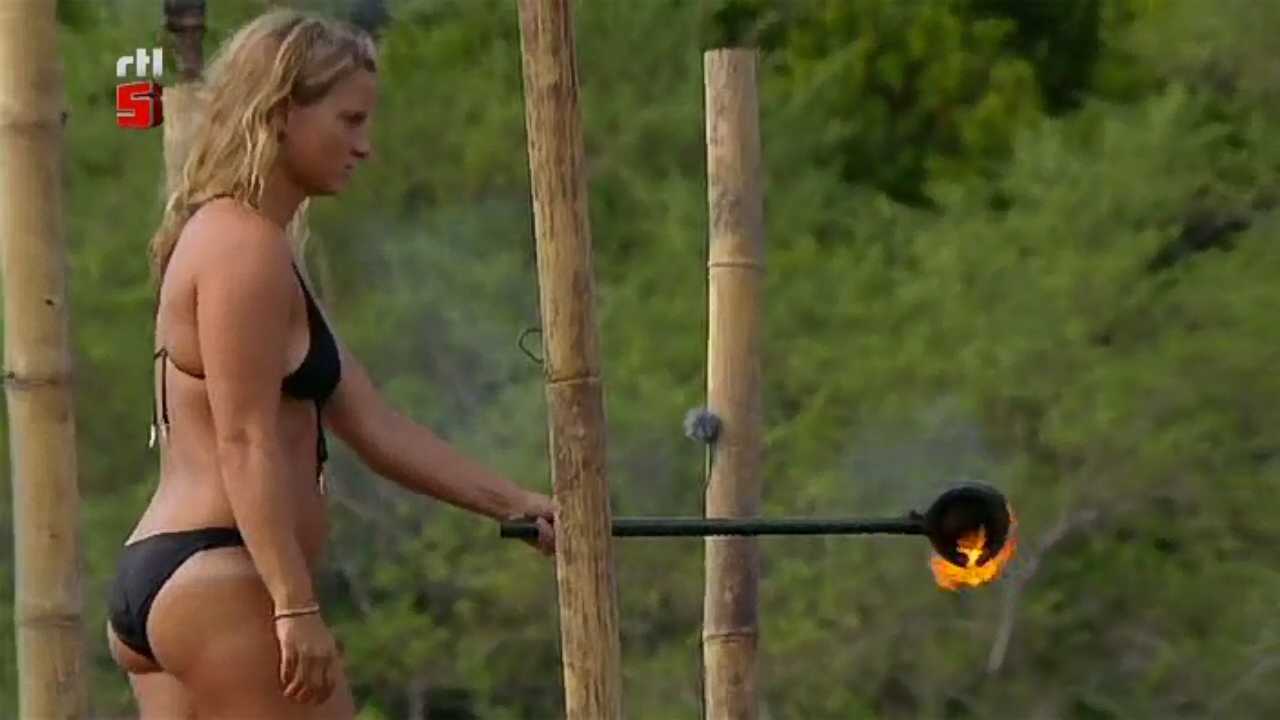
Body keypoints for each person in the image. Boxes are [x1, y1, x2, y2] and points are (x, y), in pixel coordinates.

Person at [105, 10, 557, 719]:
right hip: (220, 576)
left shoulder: (260, 247)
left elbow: (373, 424)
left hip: (180, 578)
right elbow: (244, 440)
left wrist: (514, 502)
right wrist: (293, 605)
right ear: (281, 112)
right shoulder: (241, 249)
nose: (365, 146)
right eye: (349, 121)